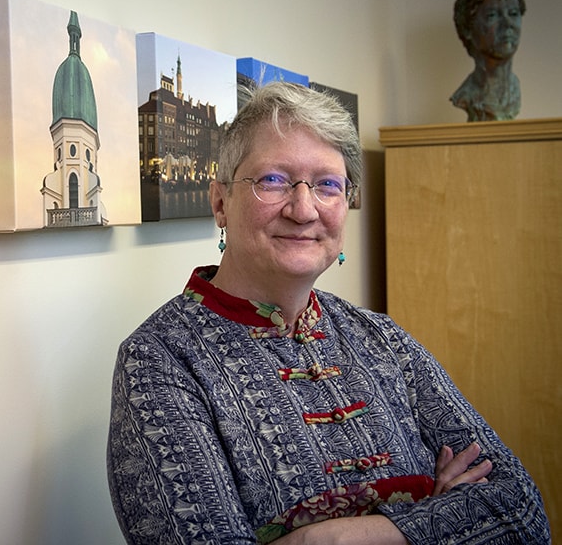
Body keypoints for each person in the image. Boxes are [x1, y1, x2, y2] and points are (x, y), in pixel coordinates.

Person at [106, 81, 549, 544]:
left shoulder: (381, 337)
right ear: (220, 201)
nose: (303, 209)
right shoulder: (159, 360)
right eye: (273, 180)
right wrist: (440, 513)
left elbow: (522, 512)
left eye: (327, 185)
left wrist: (324, 538)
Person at [450, 0, 526, 122]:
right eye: (493, 15)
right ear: (467, 28)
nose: (507, 23)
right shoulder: (467, 95)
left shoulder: (514, 90)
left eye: (513, 13)